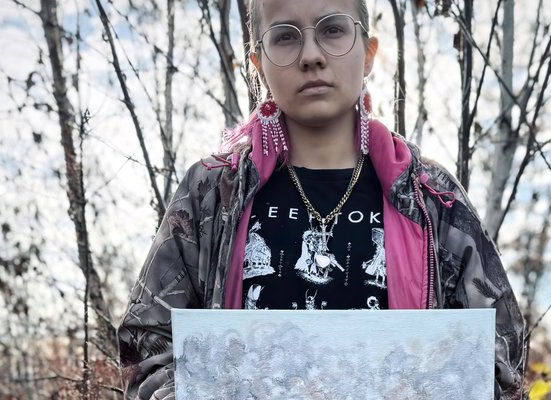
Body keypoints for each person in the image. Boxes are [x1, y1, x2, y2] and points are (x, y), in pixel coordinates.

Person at [117, 0, 525, 398]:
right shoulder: (210, 194)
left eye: (332, 29)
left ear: (368, 54)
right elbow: (148, 347)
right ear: (257, 64)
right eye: (285, 37)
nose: (311, 55)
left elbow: (498, 355)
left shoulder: (430, 196)